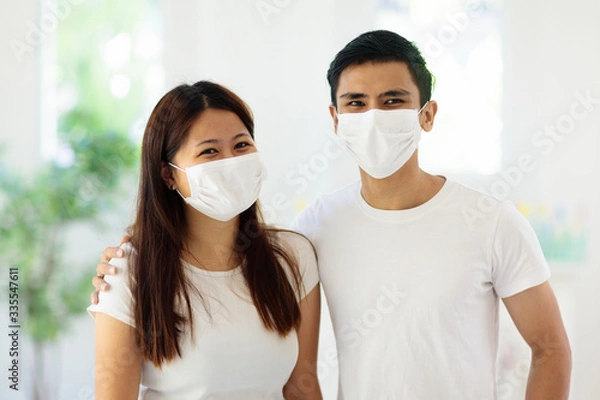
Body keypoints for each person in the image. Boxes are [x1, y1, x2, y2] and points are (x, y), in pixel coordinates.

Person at [93, 31, 572, 399]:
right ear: (335, 117)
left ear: (426, 114)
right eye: (356, 103)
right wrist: (123, 270)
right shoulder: (315, 228)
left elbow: (550, 349)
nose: (373, 117)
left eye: (393, 101)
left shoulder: (491, 221)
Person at [87, 81, 322, 400]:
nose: (231, 161)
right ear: (168, 175)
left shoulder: (293, 256)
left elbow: (302, 385)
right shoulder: (128, 272)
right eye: (209, 151)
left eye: (241, 145)